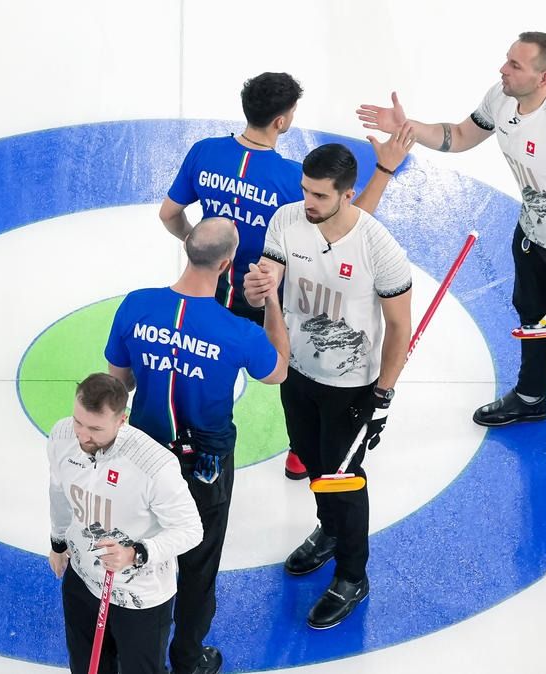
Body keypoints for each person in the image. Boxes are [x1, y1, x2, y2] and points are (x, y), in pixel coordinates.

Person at [357, 31, 546, 461]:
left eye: (515, 65)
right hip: (532, 231)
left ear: (543, 78)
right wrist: (408, 129)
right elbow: (461, 135)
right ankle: (531, 397)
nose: (503, 69)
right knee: (532, 315)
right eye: (507, 60)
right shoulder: (501, 98)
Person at [160, 71, 414, 480]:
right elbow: (350, 221)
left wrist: (200, 243)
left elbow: (169, 214)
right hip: (267, 294)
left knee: (206, 368)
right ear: (282, 120)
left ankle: (197, 447)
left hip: (211, 290)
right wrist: (384, 168)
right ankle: (299, 451)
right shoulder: (290, 179)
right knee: (291, 371)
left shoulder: (204, 152)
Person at [105, 217, 290, 674]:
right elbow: (278, 371)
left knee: (138, 547)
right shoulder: (238, 332)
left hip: (144, 455)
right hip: (204, 463)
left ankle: (130, 648)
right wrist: (271, 303)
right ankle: (187, 658)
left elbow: (119, 383)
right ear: (228, 264)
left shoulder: (136, 305)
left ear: (187, 246)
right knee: (198, 563)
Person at [243, 143, 413, 629]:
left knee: (343, 477)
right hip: (297, 371)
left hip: (351, 386)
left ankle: (352, 575)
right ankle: (330, 529)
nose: (308, 202)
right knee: (312, 460)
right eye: (305, 190)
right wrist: (259, 291)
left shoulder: (378, 246)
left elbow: (399, 327)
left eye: (319, 195)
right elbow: (268, 281)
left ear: (347, 194)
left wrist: (383, 395)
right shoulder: (287, 220)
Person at [47, 373, 202, 674]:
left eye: (95, 429)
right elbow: (58, 490)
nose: (83, 436)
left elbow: (191, 530)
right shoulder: (63, 435)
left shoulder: (154, 466)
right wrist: (58, 541)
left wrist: (136, 553)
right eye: (79, 422)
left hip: (140, 597)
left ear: (122, 421)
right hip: (82, 578)